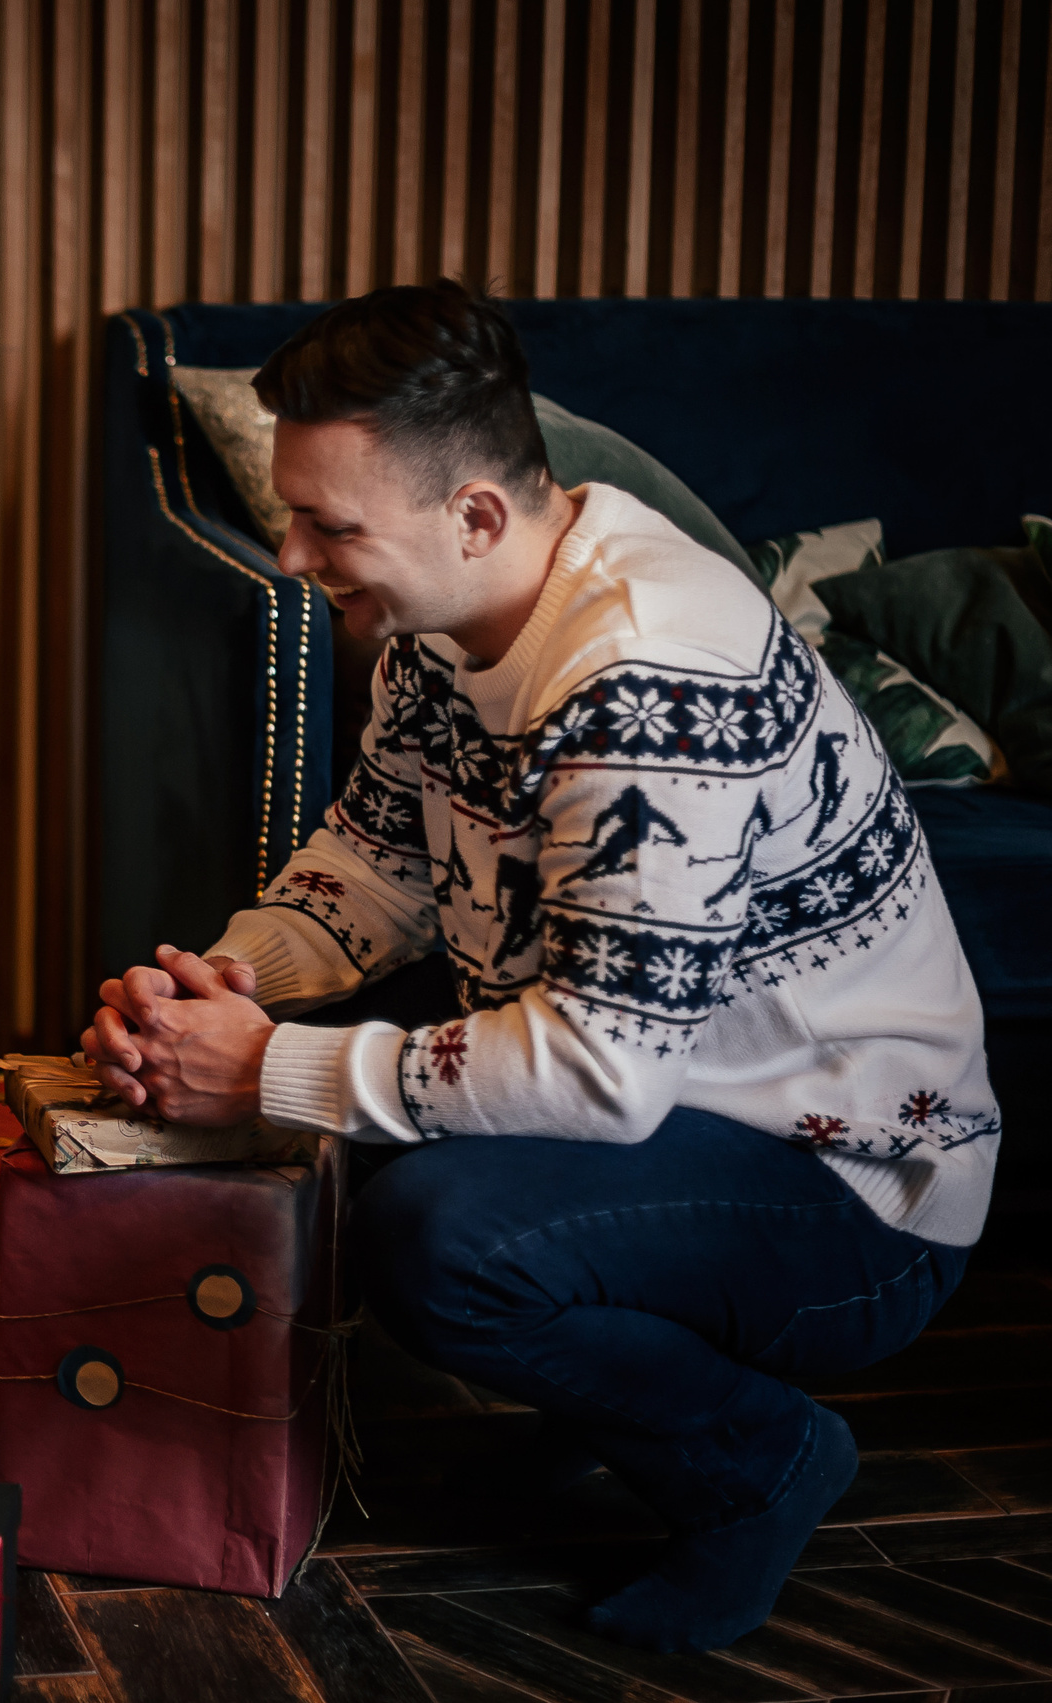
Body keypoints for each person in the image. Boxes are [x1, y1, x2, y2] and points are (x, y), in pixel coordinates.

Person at [82, 281, 997, 1653]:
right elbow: (376, 861)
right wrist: (227, 985)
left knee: (439, 1234)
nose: (293, 550)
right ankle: (614, 1405)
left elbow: (601, 1071)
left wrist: (267, 1069)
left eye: (329, 523)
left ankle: (763, 1460)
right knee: (375, 1124)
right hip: (685, 1097)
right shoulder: (448, 618)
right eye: (293, 511)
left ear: (477, 515)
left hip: (854, 1175)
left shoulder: (644, 679)